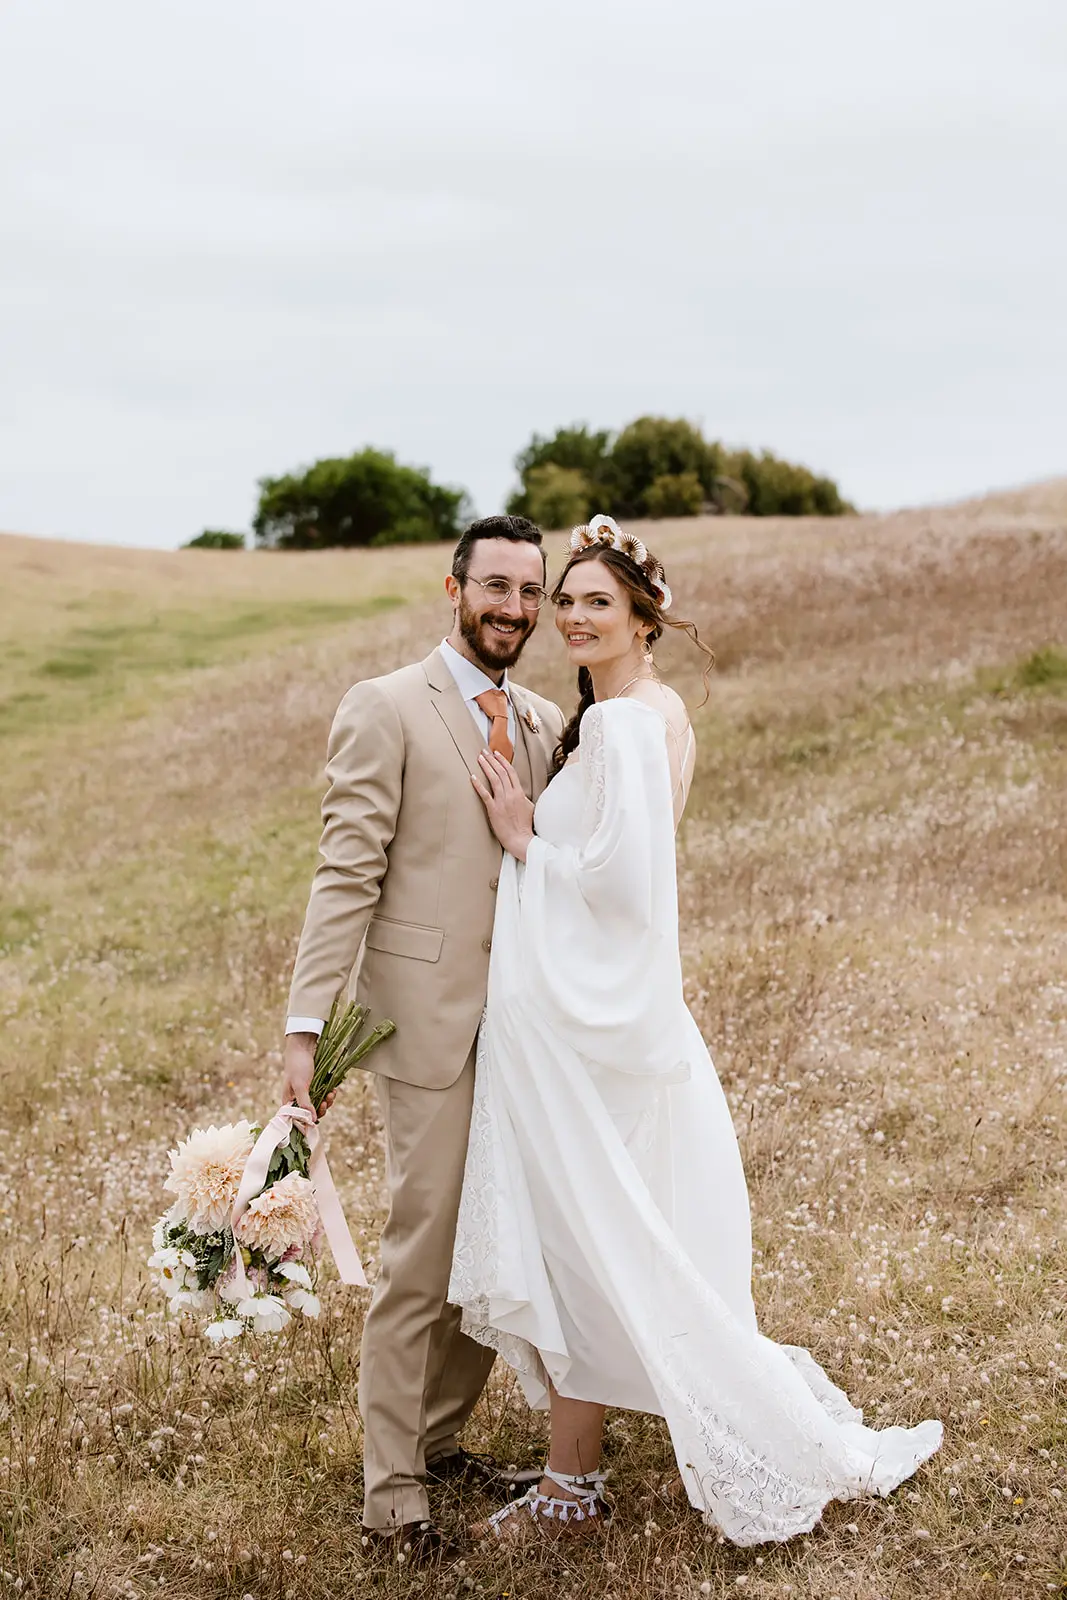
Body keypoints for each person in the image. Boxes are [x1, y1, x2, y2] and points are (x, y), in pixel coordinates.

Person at [449, 514, 943, 1547]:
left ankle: (575, 1483)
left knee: (591, 1241)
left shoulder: (627, 724)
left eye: (597, 602)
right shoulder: (644, 712)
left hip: (589, 1033)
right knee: (601, 1238)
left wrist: (518, 839)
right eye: (566, 601)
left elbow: (623, 892)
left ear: (643, 619)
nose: (572, 618)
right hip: (593, 1028)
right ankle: (573, 1473)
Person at [281, 515, 564, 1561]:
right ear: (452, 589)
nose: (514, 609)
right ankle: (391, 1493)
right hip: (426, 1029)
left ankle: (440, 1442)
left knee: (491, 1246)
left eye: (530, 593)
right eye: (496, 587)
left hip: (528, 1038)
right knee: (421, 1254)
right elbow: (345, 872)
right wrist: (305, 1027)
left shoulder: (539, 721)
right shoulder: (386, 707)